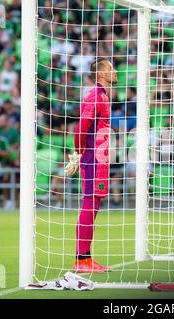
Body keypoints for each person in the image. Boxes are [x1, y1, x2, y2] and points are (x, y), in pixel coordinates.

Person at [65, 57, 117, 273]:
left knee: (94, 205)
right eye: (111, 69)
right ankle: (81, 259)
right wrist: (78, 153)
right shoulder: (95, 96)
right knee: (90, 203)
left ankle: (85, 258)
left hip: (99, 158)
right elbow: (81, 127)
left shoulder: (102, 96)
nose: (115, 72)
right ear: (101, 74)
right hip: (93, 158)